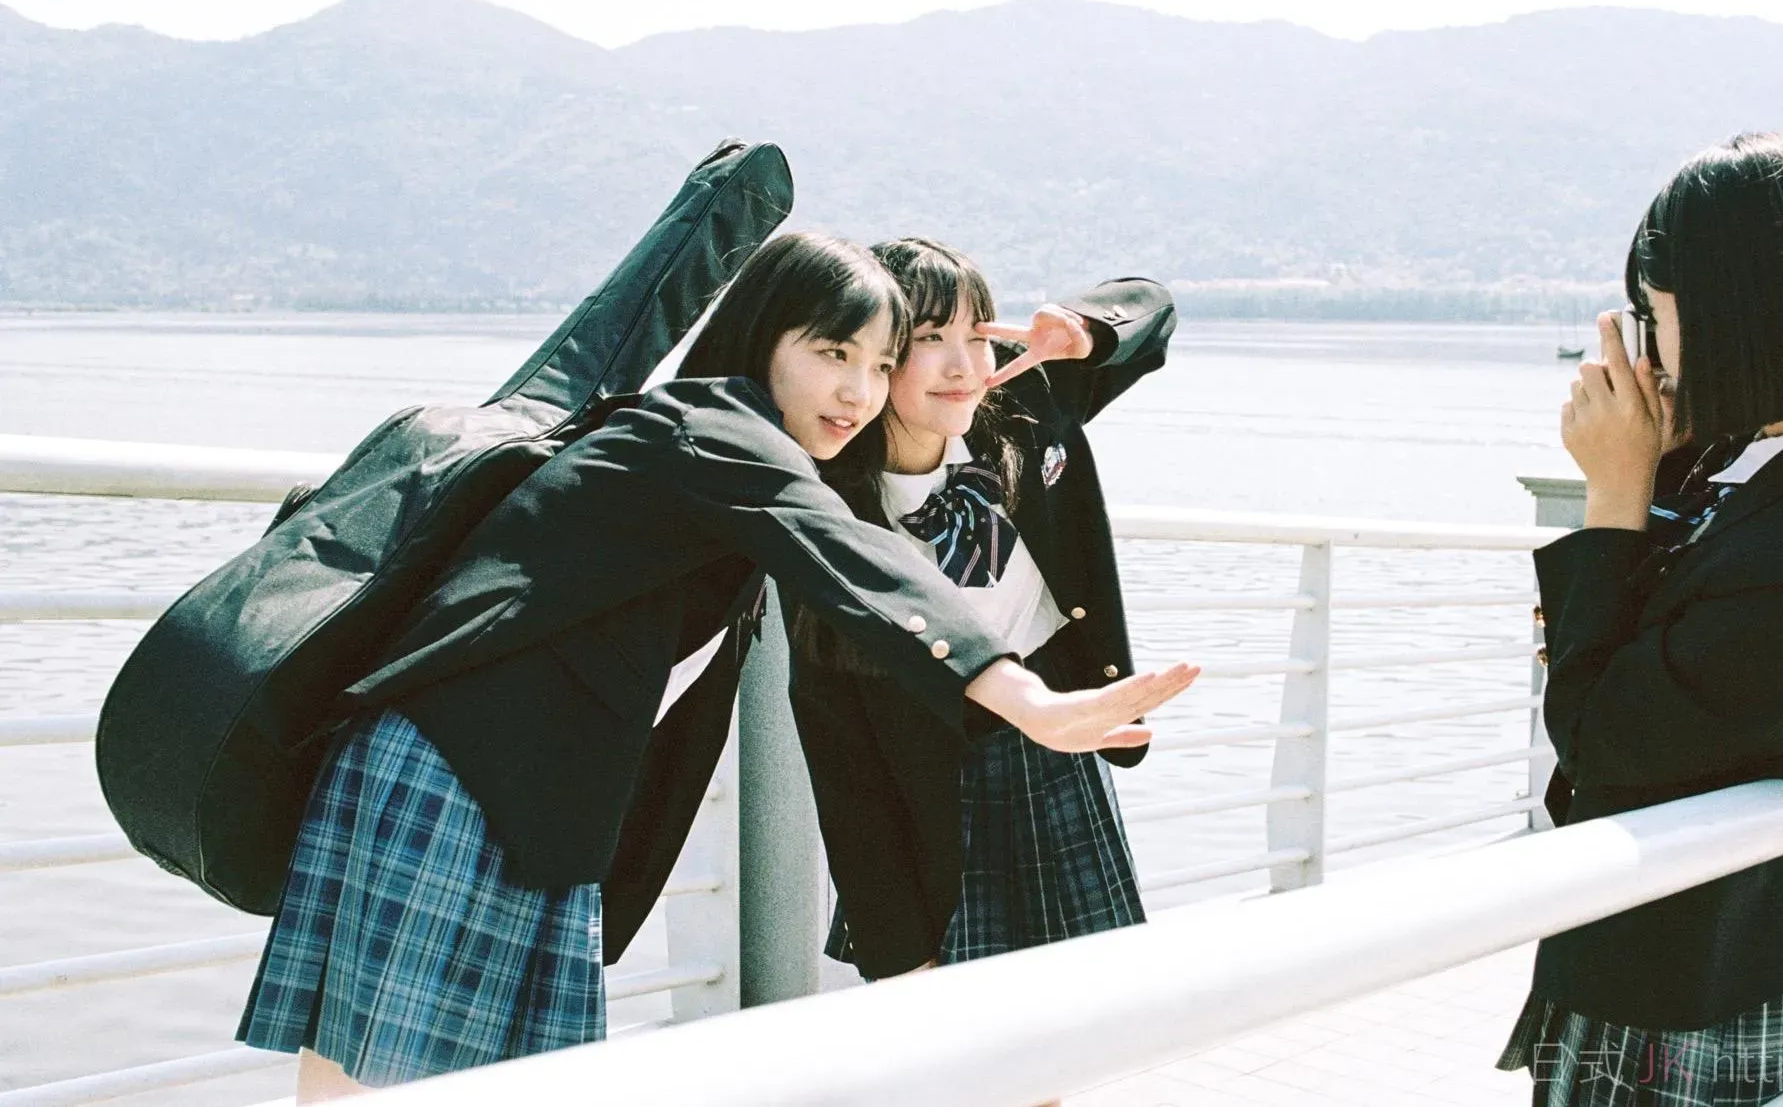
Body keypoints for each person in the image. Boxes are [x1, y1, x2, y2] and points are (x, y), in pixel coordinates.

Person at [235, 232, 1198, 1100]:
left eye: (875, 362)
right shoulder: (717, 432)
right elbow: (856, 564)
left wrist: (1082, 333)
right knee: (374, 1080)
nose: (858, 391)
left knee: (394, 1073)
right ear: (762, 336)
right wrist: (1025, 695)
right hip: (466, 775)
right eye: (833, 353)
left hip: (519, 790)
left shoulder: (730, 443)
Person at [1495, 133, 1783, 1105]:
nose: (1645, 355)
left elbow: (1598, 734)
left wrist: (1614, 493)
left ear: (1735, 321)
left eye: (1654, 319)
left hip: (1683, 978)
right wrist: (1666, 460)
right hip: (1742, 941)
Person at [788, 238, 1175, 984]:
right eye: (931, 338)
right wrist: (899, 948)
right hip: (929, 782)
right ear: (877, 354)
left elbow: (1152, 309)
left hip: (1055, 749)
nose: (963, 366)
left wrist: (1082, 329)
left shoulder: (1022, 403)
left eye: (978, 335)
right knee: (958, 1028)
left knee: (1090, 1007)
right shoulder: (828, 509)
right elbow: (843, 754)